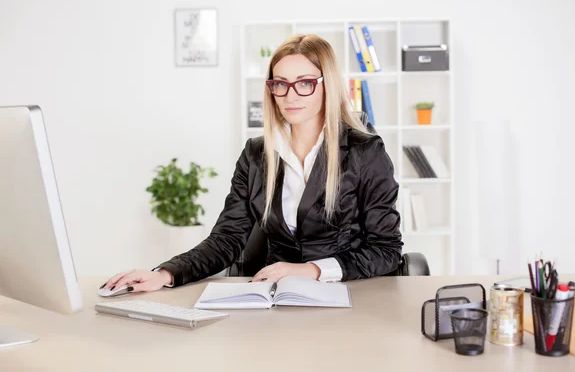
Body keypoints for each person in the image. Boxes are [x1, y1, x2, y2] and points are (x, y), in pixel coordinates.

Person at [102, 34, 403, 293]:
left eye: (305, 83)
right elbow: (226, 239)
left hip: (350, 295)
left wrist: (312, 270)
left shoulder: (365, 152)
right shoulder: (257, 154)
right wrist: (165, 274)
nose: (290, 95)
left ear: (329, 85)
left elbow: (385, 250)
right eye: (280, 84)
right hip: (275, 298)